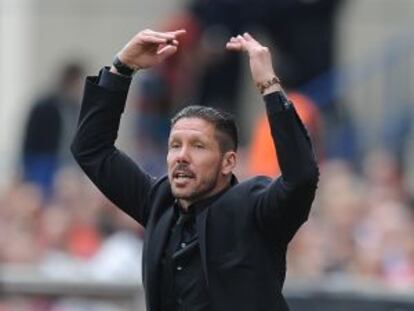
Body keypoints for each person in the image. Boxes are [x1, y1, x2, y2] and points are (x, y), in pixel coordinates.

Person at [71, 28, 319, 311]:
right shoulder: (159, 202)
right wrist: (121, 68)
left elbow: (301, 178)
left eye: (198, 146)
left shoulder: (255, 208)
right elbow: (91, 149)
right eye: (175, 145)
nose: (182, 156)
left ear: (228, 162)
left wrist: (269, 87)